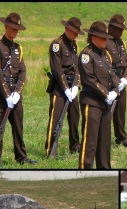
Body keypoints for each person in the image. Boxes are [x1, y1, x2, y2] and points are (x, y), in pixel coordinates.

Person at [0, 12, 37, 165]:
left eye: (17, 30)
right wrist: (7, 95)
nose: (15, 32)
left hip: (15, 94)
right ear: (6, 26)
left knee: (18, 127)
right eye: (13, 29)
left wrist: (17, 93)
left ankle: (21, 157)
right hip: (0, 95)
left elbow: (22, 71)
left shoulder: (18, 49)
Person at [78, 21, 119, 169]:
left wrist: (116, 89)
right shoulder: (86, 55)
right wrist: (106, 93)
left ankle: (104, 168)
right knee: (90, 140)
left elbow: (112, 74)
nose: (105, 41)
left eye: (106, 37)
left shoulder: (105, 55)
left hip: (106, 103)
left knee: (104, 141)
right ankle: (85, 168)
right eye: (102, 38)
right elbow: (89, 80)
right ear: (93, 37)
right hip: (92, 101)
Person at [45, 17, 83, 157]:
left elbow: (78, 67)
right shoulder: (57, 45)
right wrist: (66, 88)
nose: (76, 35)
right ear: (67, 29)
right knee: (55, 119)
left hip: (72, 87)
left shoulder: (74, 45)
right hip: (59, 88)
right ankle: (50, 148)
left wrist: (76, 85)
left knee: (74, 117)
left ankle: (75, 145)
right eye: (74, 32)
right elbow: (57, 69)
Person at [104, 14, 127, 148]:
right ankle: (103, 137)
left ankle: (121, 138)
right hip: (109, 81)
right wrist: (116, 80)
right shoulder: (105, 41)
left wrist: (125, 78)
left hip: (121, 81)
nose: (121, 32)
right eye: (118, 29)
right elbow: (105, 64)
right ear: (110, 28)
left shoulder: (121, 43)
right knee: (106, 111)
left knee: (120, 111)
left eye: (122, 29)